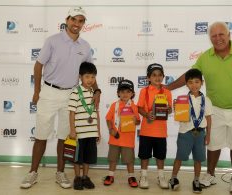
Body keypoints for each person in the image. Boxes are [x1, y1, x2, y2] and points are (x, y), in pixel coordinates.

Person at [167, 22, 232, 194]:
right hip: (214, 108)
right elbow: (189, 76)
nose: (218, 39)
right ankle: (210, 175)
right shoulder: (205, 57)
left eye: (221, 34)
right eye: (214, 36)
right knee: (213, 145)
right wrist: (167, 88)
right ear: (210, 38)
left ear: (228, 35)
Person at [20, 7, 101, 189]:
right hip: (48, 92)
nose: (76, 24)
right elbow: (38, 66)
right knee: (41, 135)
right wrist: (36, 91)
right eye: (74, 20)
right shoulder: (52, 41)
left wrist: (97, 91)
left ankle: (60, 173)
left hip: (71, 95)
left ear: (83, 24)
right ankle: (32, 173)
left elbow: (89, 72)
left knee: (65, 137)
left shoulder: (85, 46)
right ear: (67, 19)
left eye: (80, 21)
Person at [168, 69, 212, 193]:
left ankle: (196, 180)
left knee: (198, 159)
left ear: (202, 83)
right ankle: (174, 178)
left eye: (197, 82)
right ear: (186, 84)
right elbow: (180, 116)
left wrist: (208, 135)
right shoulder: (182, 99)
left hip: (200, 133)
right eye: (191, 82)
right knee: (179, 157)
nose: (194, 85)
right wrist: (177, 109)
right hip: (185, 133)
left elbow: (209, 118)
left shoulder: (206, 100)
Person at [137, 63, 172, 189]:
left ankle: (161, 176)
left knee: (160, 156)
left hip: (161, 131)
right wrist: (147, 115)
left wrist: (168, 109)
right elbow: (139, 108)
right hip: (146, 131)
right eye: (154, 75)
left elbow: (170, 109)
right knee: (144, 155)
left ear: (163, 76)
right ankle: (144, 175)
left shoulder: (167, 92)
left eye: (160, 75)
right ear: (148, 78)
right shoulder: (144, 91)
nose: (157, 78)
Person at [68, 62, 101, 190]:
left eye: (93, 77)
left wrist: (98, 131)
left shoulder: (94, 93)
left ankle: (85, 177)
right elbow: (71, 113)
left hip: (91, 133)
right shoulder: (76, 92)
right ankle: (77, 178)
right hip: (79, 133)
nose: (90, 80)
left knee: (88, 157)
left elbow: (95, 113)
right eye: (87, 77)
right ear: (80, 77)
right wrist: (72, 130)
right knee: (77, 158)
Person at [104, 79, 141, 188]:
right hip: (115, 138)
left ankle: (131, 176)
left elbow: (138, 121)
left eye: (128, 92)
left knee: (129, 160)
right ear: (118, 93)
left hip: (128, 140)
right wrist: (111, 129)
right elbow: (108, 119)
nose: (125, 94)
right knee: (113, 159)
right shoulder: (114, 105)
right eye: (122, 92)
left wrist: (136, 120)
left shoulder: (134, 106)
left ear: (132, 94)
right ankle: (110, 175)